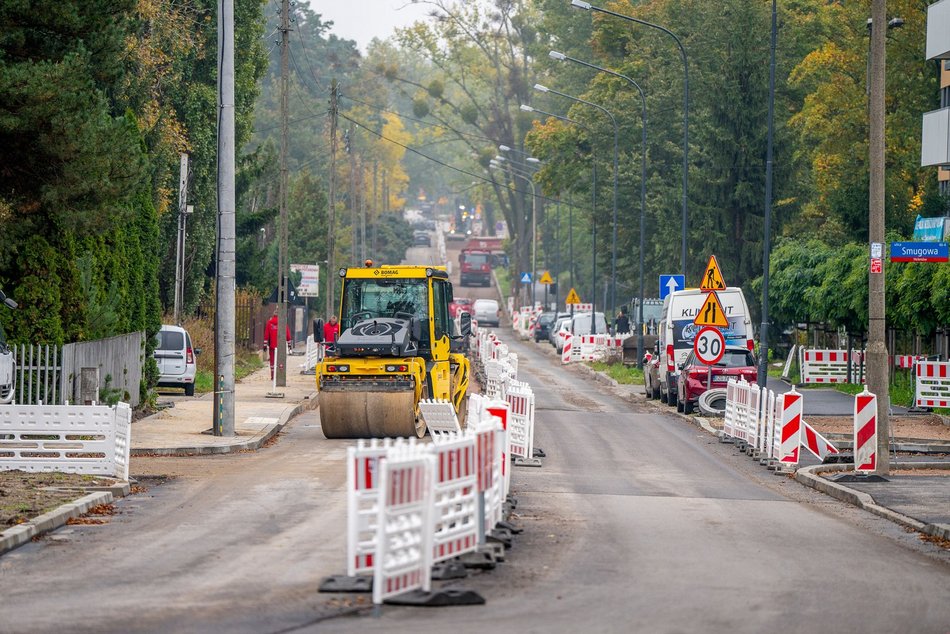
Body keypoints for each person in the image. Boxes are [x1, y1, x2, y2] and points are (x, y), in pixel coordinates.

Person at [264, 310, 292, 379]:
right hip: (281, 346)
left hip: (272, 346)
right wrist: (289, 344)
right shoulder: (283, 323)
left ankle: (273, 375)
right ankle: (280, 375)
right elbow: (287, 335)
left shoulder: (269, 323)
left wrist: (265, 345)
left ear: (273, 315)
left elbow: (266, 335)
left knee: (272, 361)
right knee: (281, 360)